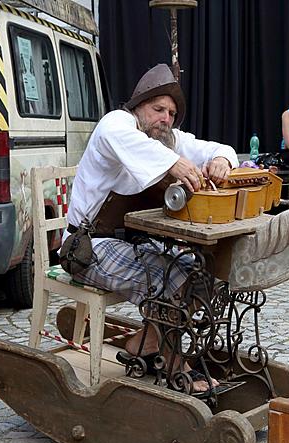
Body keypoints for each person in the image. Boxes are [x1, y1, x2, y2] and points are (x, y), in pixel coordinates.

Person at [65, 63, 238, 392]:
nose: (166, 118)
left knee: (201, 271)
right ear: (138, 107)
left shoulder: (165, 140)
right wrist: (174, 163)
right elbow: (126, 139)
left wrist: (222, 161)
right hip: (86, 246)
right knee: (166, 278)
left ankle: (145, 341)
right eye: (158, 108)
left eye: (171, 113)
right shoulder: (117, 123)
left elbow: (217, 148)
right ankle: (174, 363)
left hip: (130, 243)